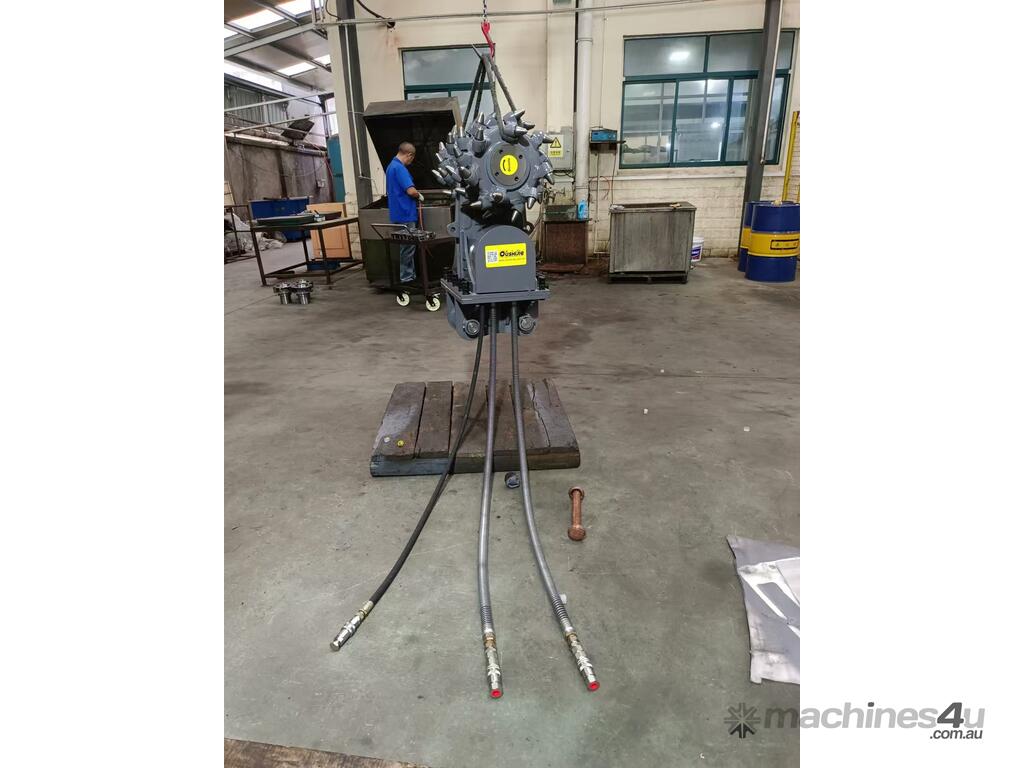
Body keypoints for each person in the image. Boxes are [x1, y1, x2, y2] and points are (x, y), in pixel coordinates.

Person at [386, 141, 425, 284]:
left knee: (405, 247)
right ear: (409, 155)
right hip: (406, 213)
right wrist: (418, 195)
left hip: (397, 213)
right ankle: (407, 279)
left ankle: (409, 277)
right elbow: (410, 190)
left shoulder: (391, 167)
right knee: (408, 248)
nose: (411, 162)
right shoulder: (400, 168)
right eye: (412, 158)